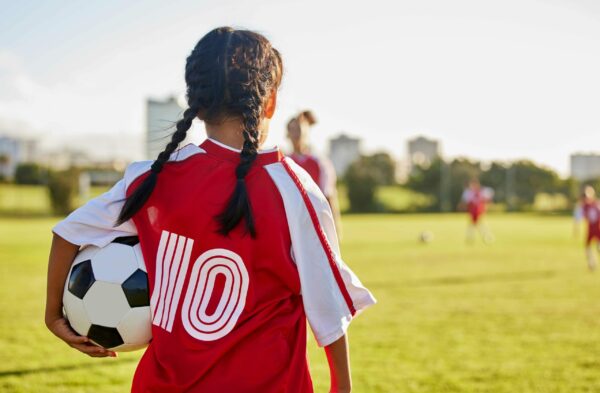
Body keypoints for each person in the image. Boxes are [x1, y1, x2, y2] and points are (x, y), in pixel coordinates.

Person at [44, 27, 375, 393]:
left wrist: (53, 314)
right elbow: (329, 311)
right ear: (270, 104)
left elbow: (69, 233)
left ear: (197, 105)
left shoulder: (153, 177)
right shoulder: (294, 190)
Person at [287, 111, 342, 231]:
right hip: (291, 227)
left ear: (306, 132)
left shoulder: (320, 162)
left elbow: (329, 196)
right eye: (293, 130)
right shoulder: (282, 163)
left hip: (316, 226)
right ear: (288, 134)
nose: (296, 134)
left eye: (299, 130)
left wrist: (335, 228)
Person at [573, 185, 600, 271]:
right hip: (590, 230)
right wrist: (576, 229)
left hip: (598, 229)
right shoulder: (583, 206)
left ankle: (592, 263)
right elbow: (577, 218)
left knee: (598, 248)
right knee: (587, 247)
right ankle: (591, 263)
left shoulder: (597, 204)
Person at [459, 179, 494, 244]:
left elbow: (487, 199)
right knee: (475, 225)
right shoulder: (468, 192)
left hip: (479, 211)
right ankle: (485, 237)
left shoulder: (481, 191)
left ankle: (485, 237)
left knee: (476, 224)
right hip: (472, 211)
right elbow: (465, 202)